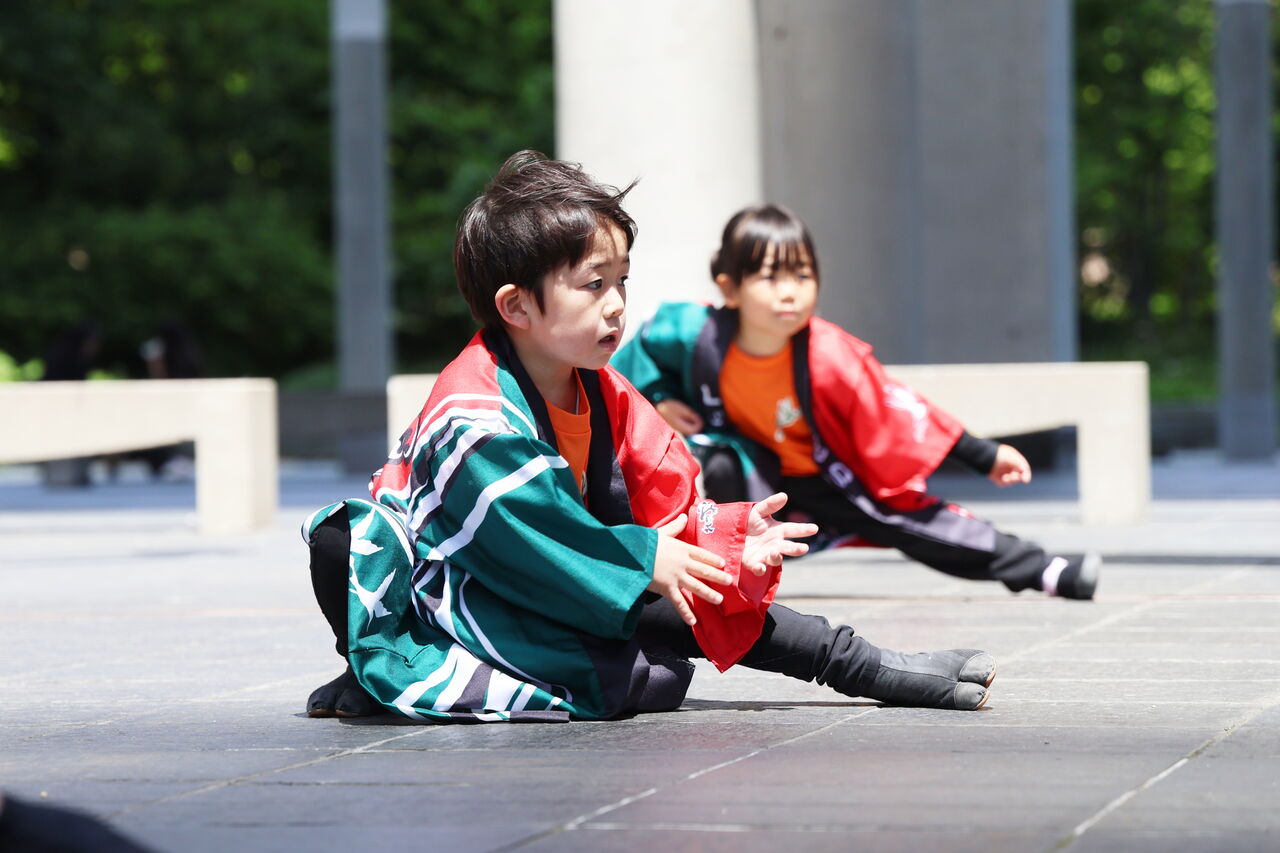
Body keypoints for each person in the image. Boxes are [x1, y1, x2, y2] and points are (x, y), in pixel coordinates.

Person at [303, 152, 998, 723]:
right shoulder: (474, 418)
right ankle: (378, 661)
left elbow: (664, 502)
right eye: (593, 284)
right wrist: (647, 560)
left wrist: (723, 542)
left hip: (550, 577)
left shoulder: (599, 386)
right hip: (450, 592)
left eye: (622, 281)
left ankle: (866, 665)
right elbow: (539, 541)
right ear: (516, 306)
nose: (616, 305)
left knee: (673, 613)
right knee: (343, 537)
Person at [612, 204, 1100, 601]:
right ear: (730, 289)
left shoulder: (829, 355)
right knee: (709, 467)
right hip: (751, 470)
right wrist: (662, 399)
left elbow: (902, 411)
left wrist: (983, 454)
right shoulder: (693, 333)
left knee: (915, 525)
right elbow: (637, 359)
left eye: (802, 275)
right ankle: (712, 583)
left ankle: (1043, 569)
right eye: (770, 278)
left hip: (826, 478)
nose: (790, 293)